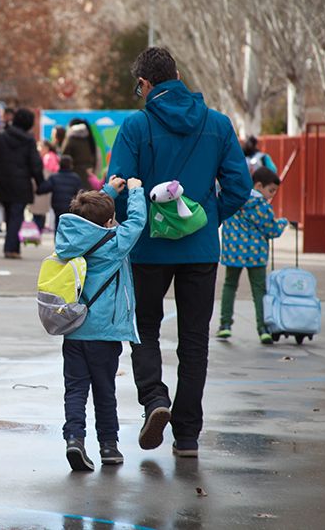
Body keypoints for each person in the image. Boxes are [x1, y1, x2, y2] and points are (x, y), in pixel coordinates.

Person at [106, 46, 251, 458]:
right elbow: (239, 187)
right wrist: (204, 218)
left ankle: (155, 399)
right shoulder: (218, 124)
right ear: (179, 76)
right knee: (194, 340)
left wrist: (139, 223)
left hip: (148, 249)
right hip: (200, 249)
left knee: (143, 328)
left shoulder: (136, 126)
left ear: (145, 84)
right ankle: (187, 436)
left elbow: (119, 187)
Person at [54, 176, 147, 470]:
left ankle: (74, 439)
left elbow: (86, 215)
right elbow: (137, 223)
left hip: (74, 330)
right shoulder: (114, 243)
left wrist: (107, 193)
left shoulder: (70, 239)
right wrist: (135, 191)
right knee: (105, 391)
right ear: (109, 221)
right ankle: (108, 445)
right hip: (105, 334)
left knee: (75, 390)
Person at [217, 167, 288, 344]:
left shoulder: (235, 199)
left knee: (229, 285)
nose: (272, 195)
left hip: (233, 252)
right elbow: (271, 230)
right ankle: (263, 328)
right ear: (258, 186)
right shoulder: (262, 206)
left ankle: (225, 324)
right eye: (271, 190)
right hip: (256, 255)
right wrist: (283, 222)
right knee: (259, 290)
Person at [0, 108, 44, 259]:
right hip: (22, 183)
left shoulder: (0, 137)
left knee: (9, 214)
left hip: (3, 182)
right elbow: (35, 164)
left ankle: (13, 246)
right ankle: (11, 248)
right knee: (16, 215)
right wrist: (40, 182)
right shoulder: (29, 140)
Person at [36, 154, 82, 231]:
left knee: (58, 224)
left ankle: (57, 237)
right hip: (70, 206)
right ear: (71, 165)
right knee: (69, 226)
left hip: (57, 207)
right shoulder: (75, 178)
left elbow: (43, 189)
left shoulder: (54, 177)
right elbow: (80, 192)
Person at [30, 140, 59, 232]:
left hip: (44, 188)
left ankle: (38, 229)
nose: (38, 150)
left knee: (39, 211)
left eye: (40, 148)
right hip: (48, 188)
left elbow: (46, 173)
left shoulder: (48, 157)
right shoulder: (52, 156)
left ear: (46, 148)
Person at [62, 118, 99, 190]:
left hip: (74, 173)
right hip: (87, 172)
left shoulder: (70, 139)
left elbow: (64, 156)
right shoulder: (88, 139)